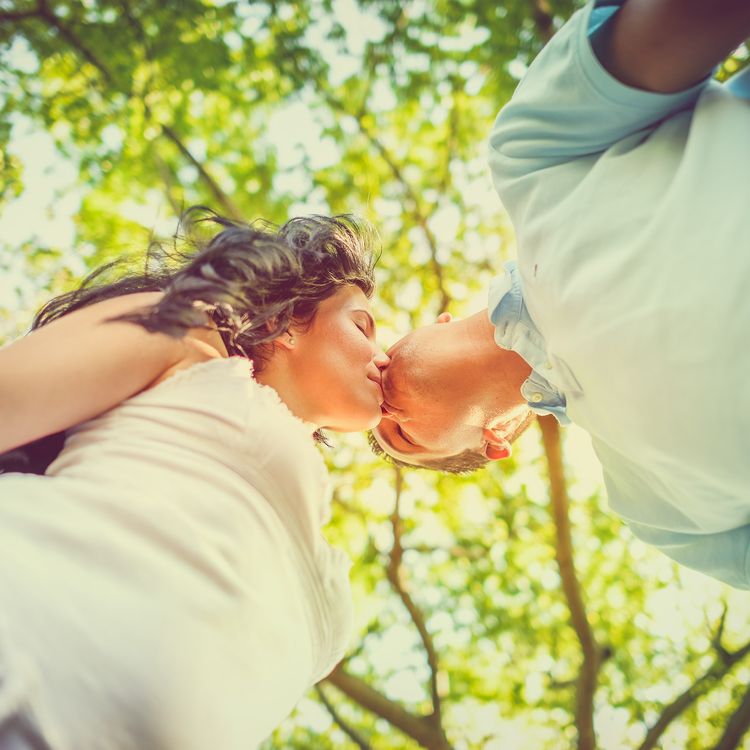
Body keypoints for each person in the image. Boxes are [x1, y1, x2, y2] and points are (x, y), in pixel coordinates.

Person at [371, 0, 750, 588]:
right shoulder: (660, 513)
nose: (374, 400)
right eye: (398, 433)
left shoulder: (530, 161)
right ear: (495, 441)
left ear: (437, 320)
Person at [0, 207, 389, 749]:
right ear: (285, 324)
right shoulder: (190, 337)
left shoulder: (326, 580)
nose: (383, 356)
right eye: (362, 326)